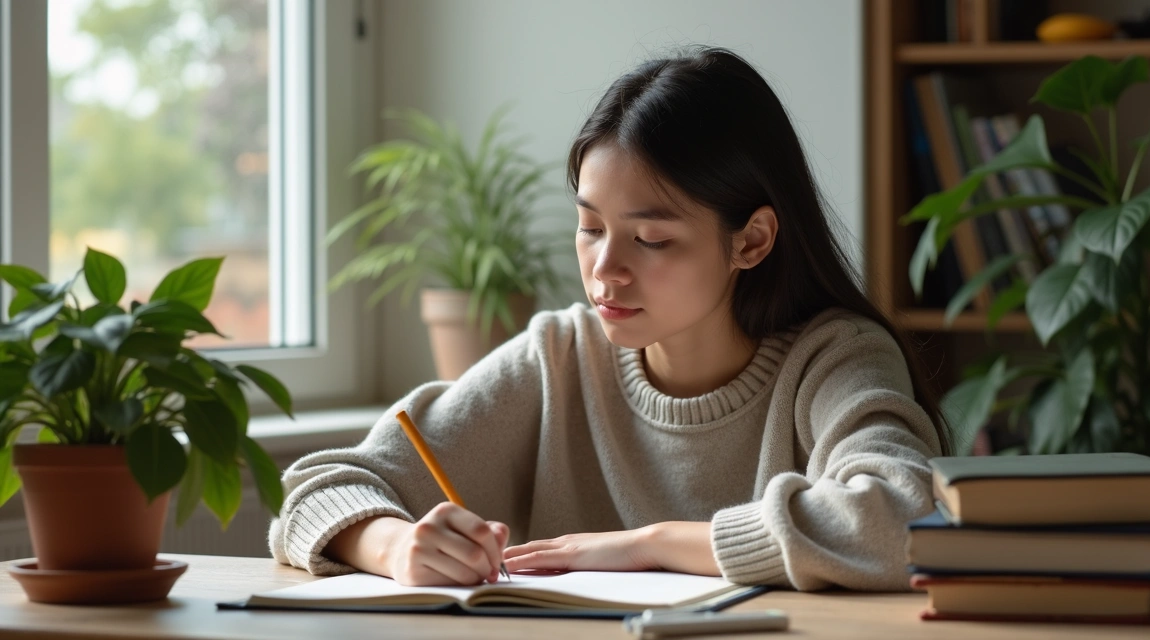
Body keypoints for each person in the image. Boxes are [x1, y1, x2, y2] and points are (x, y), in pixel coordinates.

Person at [269, 46, 949, 592]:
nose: (605, 270)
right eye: (590, 227)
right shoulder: (561, 356)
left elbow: (904, 517)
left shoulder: (835, 359)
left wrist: (652, 545)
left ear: (752, 241)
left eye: (650, 239)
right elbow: (316, 490)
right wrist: (395, 546)